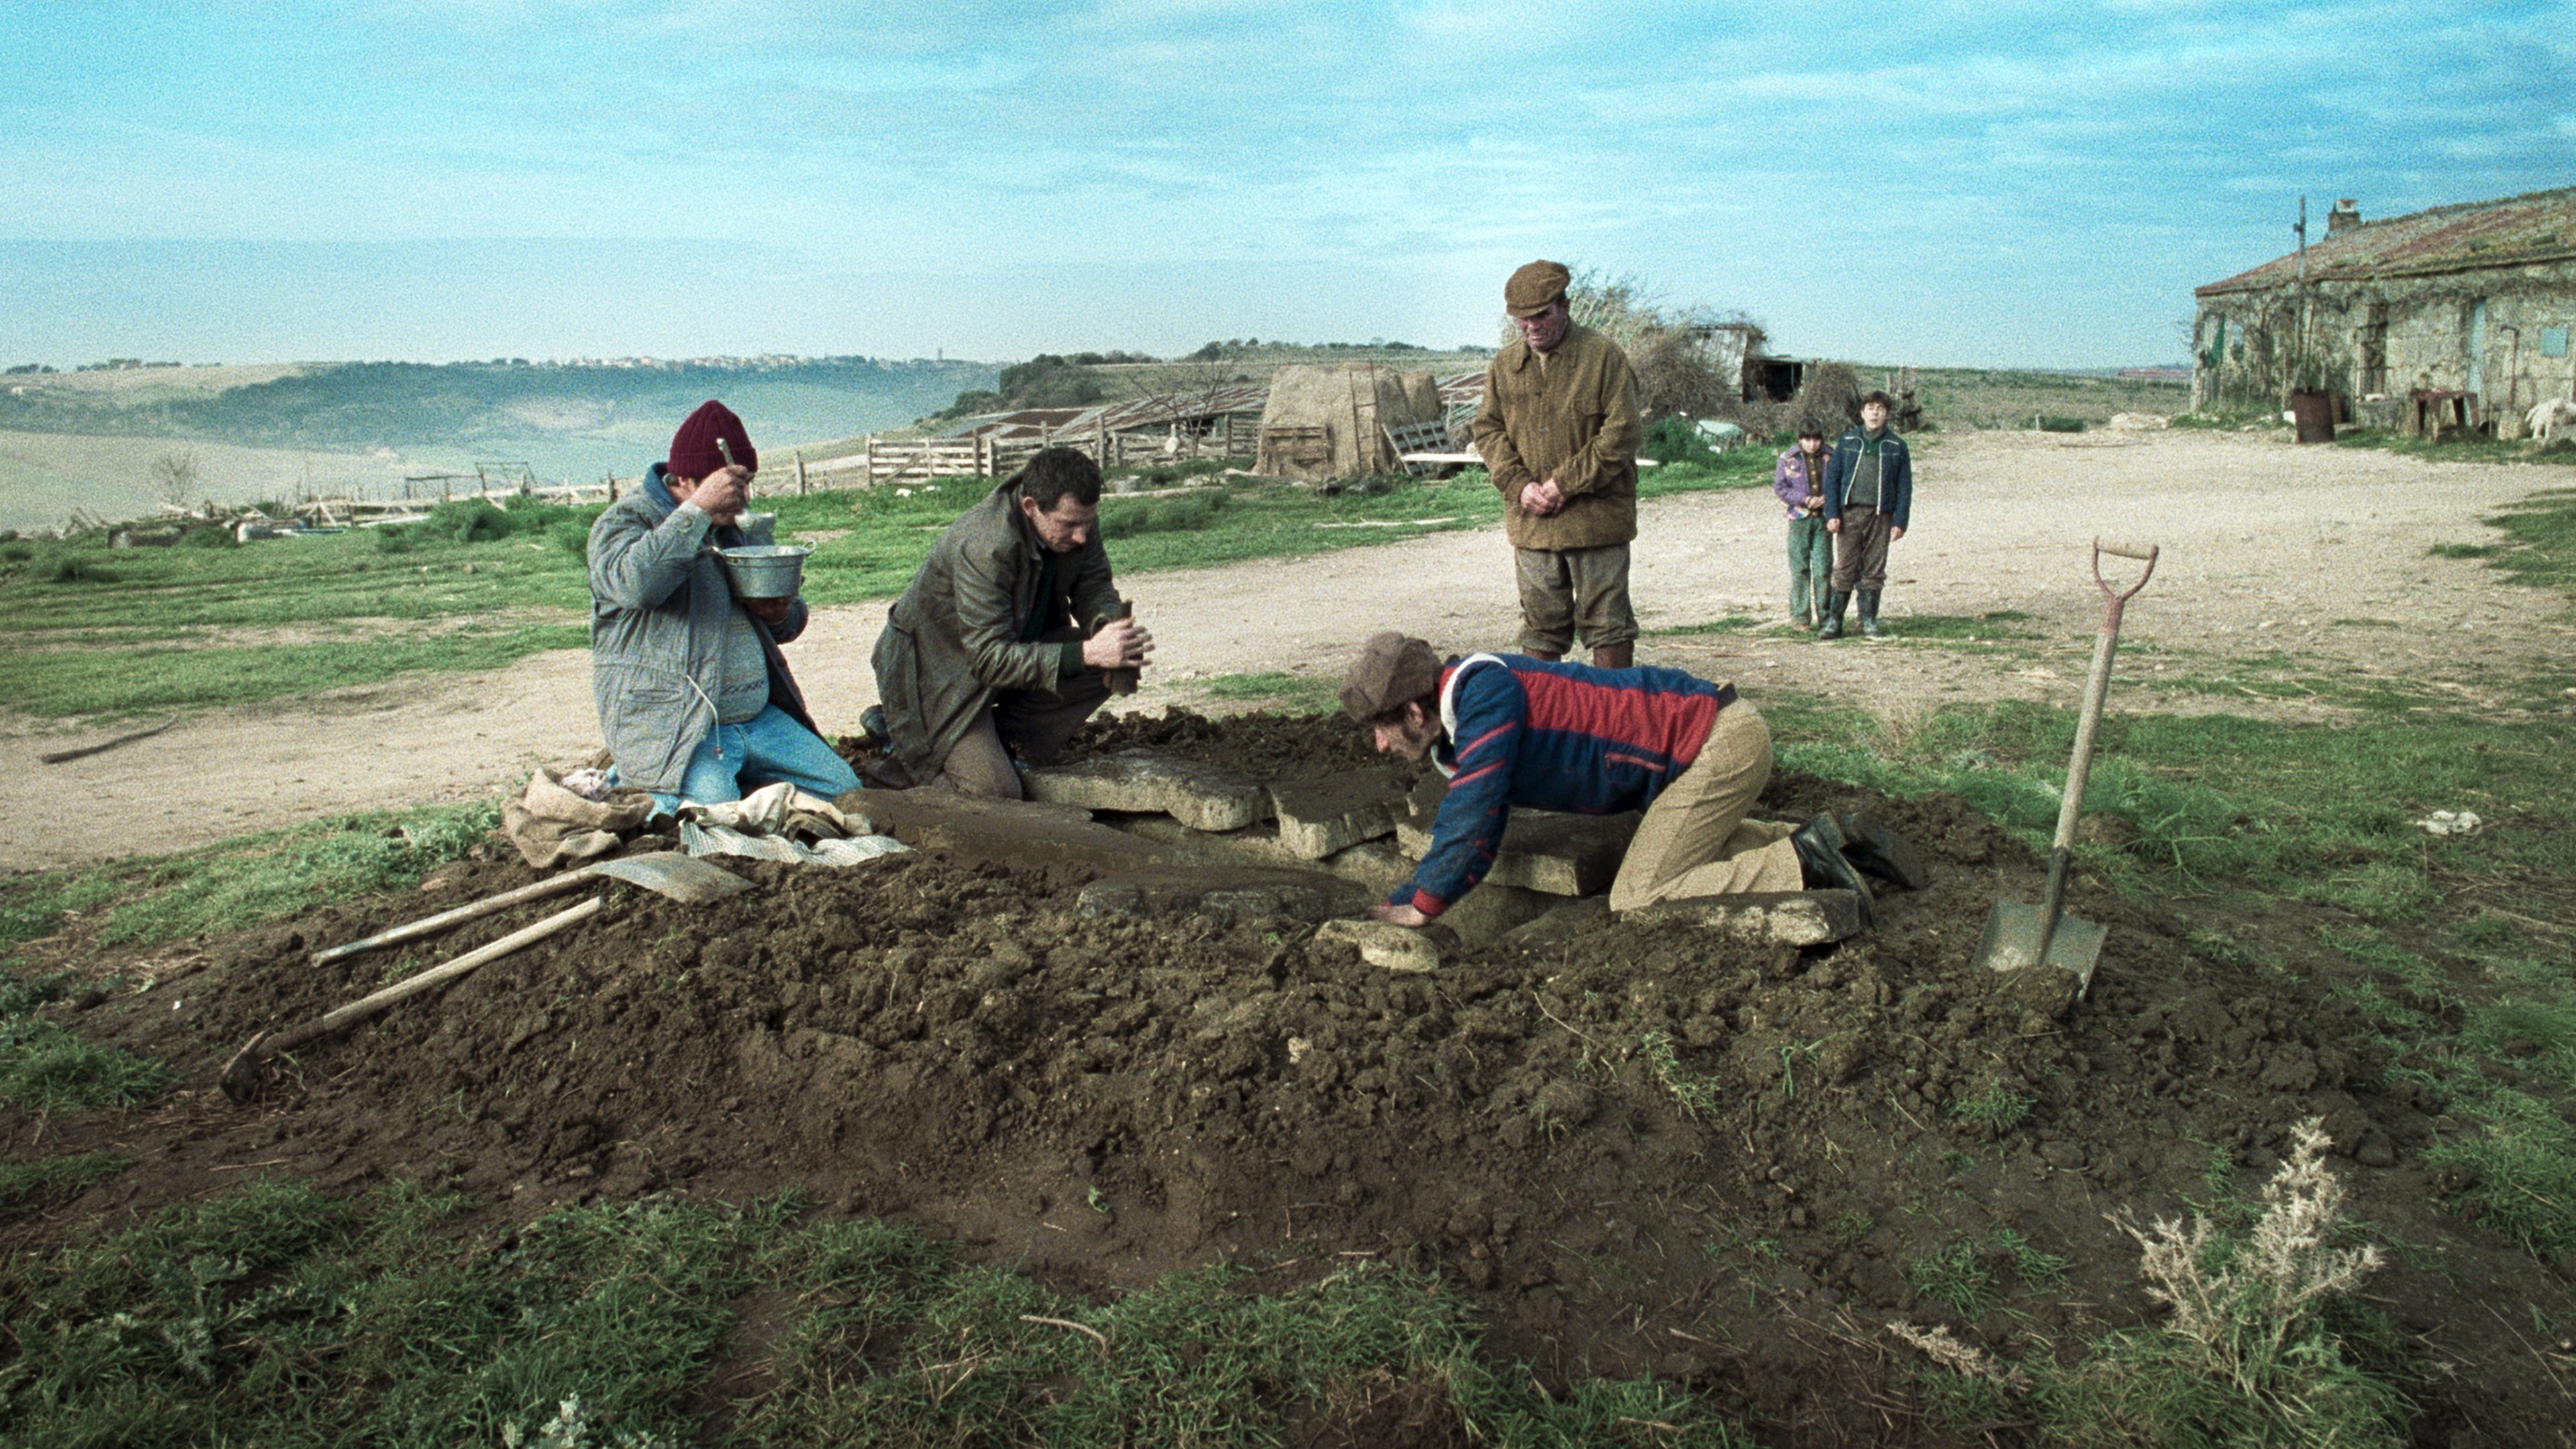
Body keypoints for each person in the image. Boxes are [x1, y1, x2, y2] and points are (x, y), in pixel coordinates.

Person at [1338, 633, 1923, 928]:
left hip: (1718, 744)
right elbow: (1470, 824)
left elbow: (1473, 817)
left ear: (1415, 712)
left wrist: (1423, 907)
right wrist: (1401, 900)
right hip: (1706, 747)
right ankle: (1824, 837)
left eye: (1382, 728)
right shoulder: (1463, 725)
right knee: (1680, 850)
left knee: (1639, 896)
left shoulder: (1484, 693)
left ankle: (1805, 865)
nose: (1380, 745)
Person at [588, 400, 859, 816]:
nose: (744, 497)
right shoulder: (625, 521)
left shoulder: (739, 524)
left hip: (757, 719)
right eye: (733, 485)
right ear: (686, 480)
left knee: (846, 794)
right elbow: (636, 586)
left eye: (747, 483)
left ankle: (733, 777)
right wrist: (696, 513)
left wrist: (779, 613)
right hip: (683, 726)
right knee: (712, 816)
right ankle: (637, 775)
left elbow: (791, 620)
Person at [869, 445, 1152, 798]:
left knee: (1110, 659)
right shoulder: (986, 544)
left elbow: (1093, 583)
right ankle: (905, 741)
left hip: (1009, 646)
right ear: (1031, 507)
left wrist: (1108, 631)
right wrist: (1089, 652)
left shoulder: (1074, 518)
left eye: (1088, 522)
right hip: (938, 672)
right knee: (996, 793)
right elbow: (988, 659)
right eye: (1069, 525)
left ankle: (1003, 740)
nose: (1082, 535)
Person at [1472, 259, 1644, 669]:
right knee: (1541, 628)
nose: (1532, 327)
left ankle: (1614, 720)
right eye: (1522, 320)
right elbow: (1488, 431)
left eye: (1541, 316)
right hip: (1533, 525)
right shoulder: (1504, 367)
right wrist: (1519, 485)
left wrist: (1564, 483)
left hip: (1596, 521)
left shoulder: (1603, 357)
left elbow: (1623, 432)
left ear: (1564, 306)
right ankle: (1547, 723)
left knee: (1608, 625)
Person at [1818, 390, 1914, 640]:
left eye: (1881, 409)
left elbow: (1905, 486)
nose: (1875, 413)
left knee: (1874, 567)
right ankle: (1834, 622)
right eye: (1870, 408)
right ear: (1862, 412)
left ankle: (1869, 621)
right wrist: (1832, 513)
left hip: (1881, 514)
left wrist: (1900, 521)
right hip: (1849, 513)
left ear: (1887, 414)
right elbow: (1833, 480)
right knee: (1845, 567)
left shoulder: (1896, 446)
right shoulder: (1848, 441)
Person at [1774, 426, 1832, 627]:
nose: (1812, 444)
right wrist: (1805, 499)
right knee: (1799, 568)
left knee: (1824, 570)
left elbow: (1839, 482)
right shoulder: (1788, 458)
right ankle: (1800, 617)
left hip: (1824, 520)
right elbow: (1780, 488)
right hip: (1799, 519)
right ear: (1800, 440)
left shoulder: (1830, 457)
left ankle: (1826, 617)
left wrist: (1827, 499)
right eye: (1807, 440)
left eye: (1816, 439)